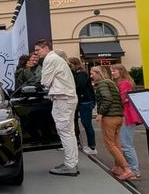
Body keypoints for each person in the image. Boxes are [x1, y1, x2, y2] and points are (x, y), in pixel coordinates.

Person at [34, 39, 79, 176]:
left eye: (38, 50)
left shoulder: (50, 59)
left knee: (65, 132)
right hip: (66, 97)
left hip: (62, 98)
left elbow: (45, 82)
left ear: (46, 48)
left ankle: (70, 165)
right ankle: (71, 162)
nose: (36, 53)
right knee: (69, 132)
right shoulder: (56, 58)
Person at [90, 66, 135, 181]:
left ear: (99, 73)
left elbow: (107, 98)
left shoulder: (102, 84)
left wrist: (100, 113)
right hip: (118, 117)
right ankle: (118, 167)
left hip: (109, 117)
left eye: (93, 73)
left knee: (110, 144)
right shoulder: (111, 83)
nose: (91, 76)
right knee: (116, 143)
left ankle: (127, 169)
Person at [111, 64, 141, 179]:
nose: (112, 73)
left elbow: (122, 99)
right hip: (127, 115)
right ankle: (128, 168)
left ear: (120, 71)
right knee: (125, 143)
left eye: (114, 71)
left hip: (126, 116)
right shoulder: (126, 82)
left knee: (126, 144)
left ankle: (134, 170)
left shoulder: (123, 83)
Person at [69, 57, 96, 155]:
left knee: (87, 124)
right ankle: (88, 145)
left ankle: (92, 146)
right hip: (84, 101)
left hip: (85, 101)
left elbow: (79, 87)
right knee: (85, 123)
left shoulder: (81, 74)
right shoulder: (80, 74)